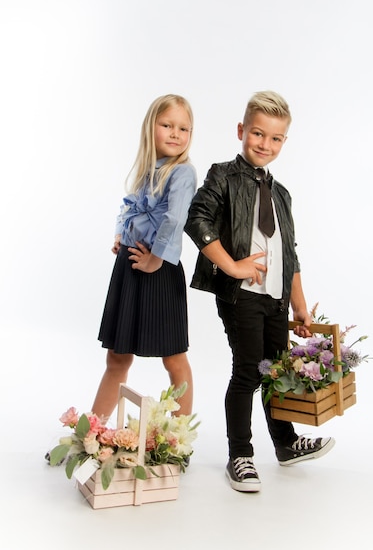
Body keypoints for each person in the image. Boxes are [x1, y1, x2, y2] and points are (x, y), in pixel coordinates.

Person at [185, 90, 335, 492]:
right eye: (257, 134)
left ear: (284, 142)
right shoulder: (223, 175)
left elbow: (290, 254)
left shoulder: (282, 194)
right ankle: (240, 455)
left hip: (276, 298)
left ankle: (285, 444)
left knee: (275, 369)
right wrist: (232, 266)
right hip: (241, 296)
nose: (264, 144)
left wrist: (299, 306)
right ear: (241, 131)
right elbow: (196, 218)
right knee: (249, 369)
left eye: (275, 138)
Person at [92, 94, 196, 423]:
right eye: (167, 125)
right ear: (150, 128)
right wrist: (122, 235)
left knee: (174, 358)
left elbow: (175, 219)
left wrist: (157, 259)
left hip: (160, 272)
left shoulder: (183, 173)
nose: (176, 133)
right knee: (117, 359)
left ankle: (180, 438)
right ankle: (91, 432)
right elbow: (131, 207)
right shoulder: (146, 169)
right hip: (130, 267)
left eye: (184, 128)